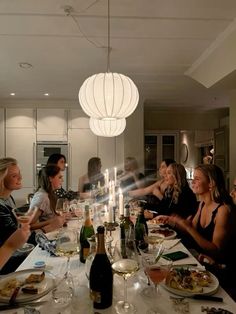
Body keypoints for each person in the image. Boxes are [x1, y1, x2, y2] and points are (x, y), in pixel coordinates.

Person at [157, 164, 236, 264]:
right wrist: (172, 221)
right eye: (193, 178)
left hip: (215, 266)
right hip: (197, 257)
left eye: (197, 179)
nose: (192, 182)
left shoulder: (222, 210)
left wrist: (187, 226)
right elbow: (191, 230)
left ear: (211, 183)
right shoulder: (202, 204)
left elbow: (215, 250)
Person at [0, 157, 35, 274]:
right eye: (14, 176)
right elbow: (13, 238)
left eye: (19, 174)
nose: (20, 178)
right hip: (7, 265)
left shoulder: (8, 198)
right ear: (1, 179)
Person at [30, 165, 66, 233]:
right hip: (46, 236)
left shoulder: (50, 194)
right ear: (50, 178)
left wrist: (64, 216)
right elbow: (30, 225)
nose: (62, 180)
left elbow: (54, 217)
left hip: (53, 232)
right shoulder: (42, 197)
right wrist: (51, 221)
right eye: (60, 177)